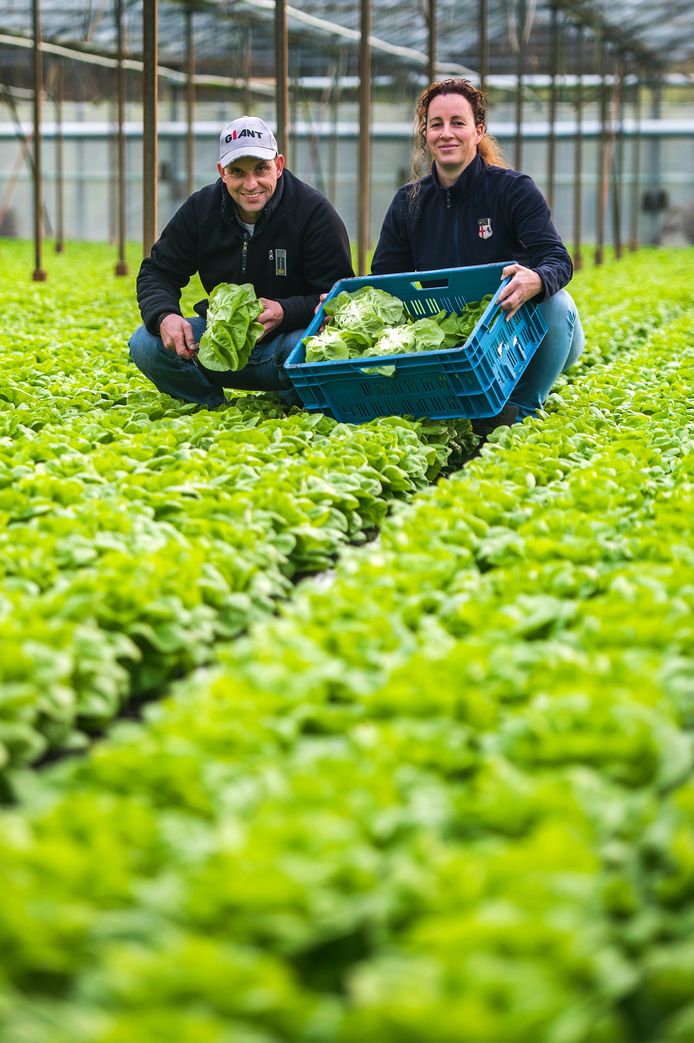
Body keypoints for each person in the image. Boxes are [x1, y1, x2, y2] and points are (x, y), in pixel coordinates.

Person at [371, 78, 584, 429]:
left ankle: (520, 412)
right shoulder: (409, 203)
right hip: (453, 336)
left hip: (516, 331)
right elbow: (384, 281)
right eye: (436, 124)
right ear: (426, 134)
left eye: (458, 123)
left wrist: (536, 278)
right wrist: (347, 307)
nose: (446, 133)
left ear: (478, 131)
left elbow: (557, 259)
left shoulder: (513, 190)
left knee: (557, 304)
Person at [129, 116, 354, 409]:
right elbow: (158, 271)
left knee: (318, 348)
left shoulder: (313, 213)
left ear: (279, 166)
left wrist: (285, 311)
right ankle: (210, 405)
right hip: (219, 341)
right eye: (237, 171)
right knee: (146, 344)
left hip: (284, 346)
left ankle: (291, 404)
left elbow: (336, 296)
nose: (251, 184)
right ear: (222, 172)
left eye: (261, 169)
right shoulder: (201, 209)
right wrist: (165, 316)